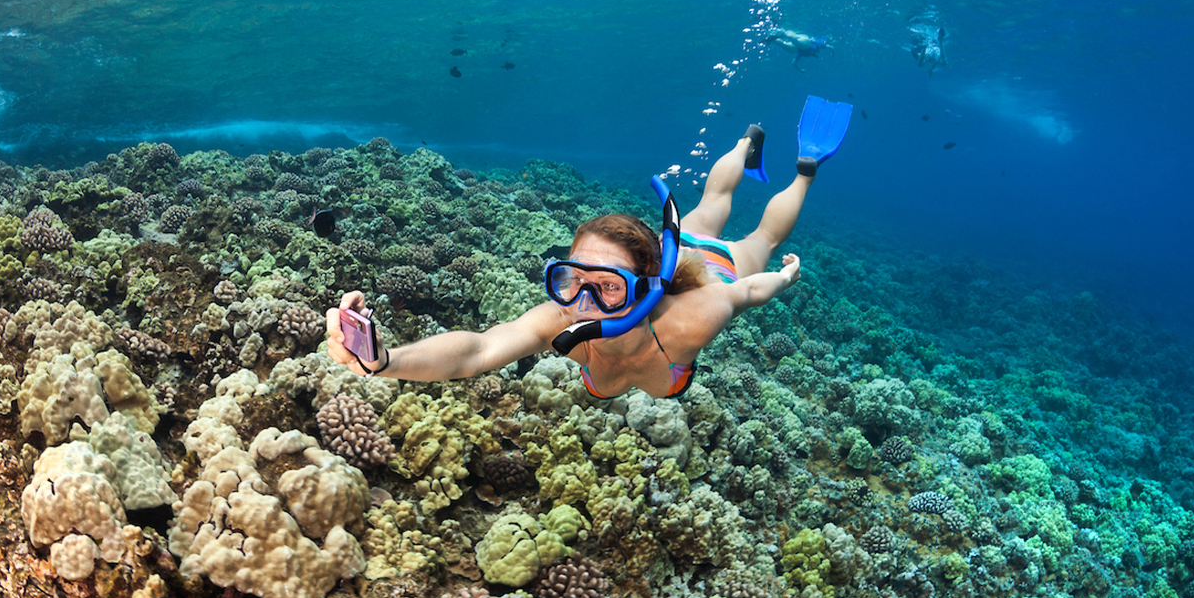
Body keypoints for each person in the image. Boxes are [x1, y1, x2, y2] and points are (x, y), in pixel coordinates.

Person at [324, 96, 853, 399]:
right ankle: (745, 143)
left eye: (608, 287)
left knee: (761, 238)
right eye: (572, 280)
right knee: (711, 201)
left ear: (647, 287)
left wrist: (785, 277)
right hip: (667, 251)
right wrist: (384, 361)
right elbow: (478, 350)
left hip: (714, 265)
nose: (582, 303)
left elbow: (751, 292)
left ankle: (806, 167)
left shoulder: (693, 318)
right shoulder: (561, 322)